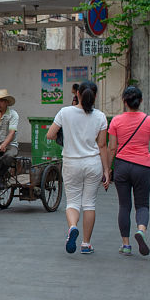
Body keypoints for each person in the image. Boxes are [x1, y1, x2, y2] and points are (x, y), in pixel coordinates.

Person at [47, 81, 109, 255]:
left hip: (71, 163)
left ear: (78, 95)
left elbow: (51, 134)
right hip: (93, 164)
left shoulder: (65, 112)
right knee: (89, 204)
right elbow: (102, 145)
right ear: (95, 96)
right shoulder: (100, 117)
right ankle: (86, 244)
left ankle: (73, 227)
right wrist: (106, 171)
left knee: (73, 202)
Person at [107, 85, 150, 258]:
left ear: (124, 101)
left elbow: (112, 147)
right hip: (143, 167)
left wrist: (108, 168)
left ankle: (126, 245)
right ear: (141, 101)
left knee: (124, 205)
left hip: (122, 166)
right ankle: (141, 230)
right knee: (142, 204)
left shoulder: (116, 121)